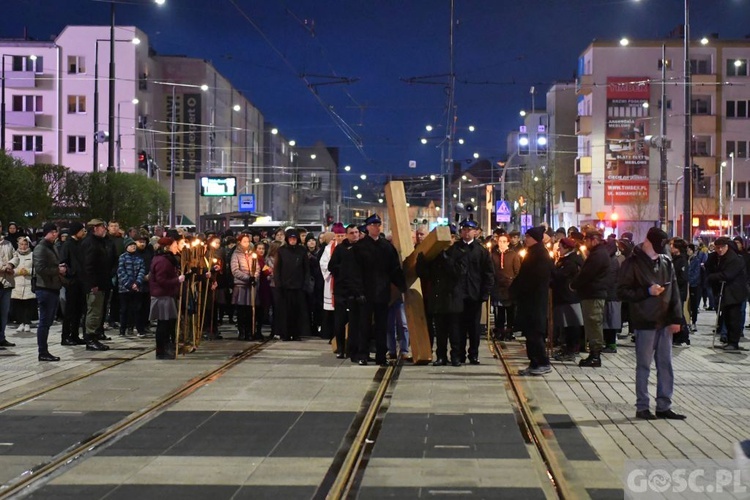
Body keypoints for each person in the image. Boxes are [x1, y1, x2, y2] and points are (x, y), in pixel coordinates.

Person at [617, 227, 686, 420]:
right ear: (647, 242)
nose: (659, 251)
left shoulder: (666, 262)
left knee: (665, 364)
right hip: (645, 321)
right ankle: (642, 406)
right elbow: (621, 291)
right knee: (644, 365)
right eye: (656, 247)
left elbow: (674, 294)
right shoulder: (633, 263)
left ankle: (664, 405)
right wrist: (647, 292)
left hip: (664, 321)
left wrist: (677, 318)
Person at [354, 214, 406, 366]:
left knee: (382, 325)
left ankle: (381, 355)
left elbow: (394, 269)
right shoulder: (360, 247)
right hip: (366, 292)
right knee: (364, 325)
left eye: (378, 225)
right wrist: (358, 291)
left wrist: (401, 285)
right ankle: (362, 354)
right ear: (368, 227)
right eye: (373, 225)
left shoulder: (386, 247)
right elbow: (354, 272)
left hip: (382, 292)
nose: (376, 227)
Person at [416, 225, 465, 366]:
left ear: (453, 238)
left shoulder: (459, 252)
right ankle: (441, 356)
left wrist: (447, 259)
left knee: (454, 331)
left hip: (452, 298)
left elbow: (458, 273)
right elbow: (427, 275)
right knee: (441, 331)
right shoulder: (435, 254)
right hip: (438, 298)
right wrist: (421, 264)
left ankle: (455, 356)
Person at [510, 226, 554, 375]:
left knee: (535, 333)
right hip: (529, 300)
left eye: (528, 237)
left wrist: (519, 289)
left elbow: (535, 278)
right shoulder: (533, 253)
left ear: (534, 238)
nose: (525, 239)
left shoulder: (540, 254)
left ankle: (542, 362)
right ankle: (534, 363)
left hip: (535, 301)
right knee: (530, 333)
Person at [453, 219, 494, 365]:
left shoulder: (481, 251)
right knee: (458, 327)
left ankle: (473, 354)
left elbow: (488, 273)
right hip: (458, 295)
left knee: (474, 328)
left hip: (474, 295)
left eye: (469, 229)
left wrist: (485, 293)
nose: (466, 232)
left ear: (475, 232)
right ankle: (458, 354)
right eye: (464, 229)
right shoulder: (455, 249)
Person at [571, 229, 610, 367]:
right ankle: (593, 352)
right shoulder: (597, 253)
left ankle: (595, 354)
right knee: (591, 323)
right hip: (592, 293)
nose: (585, 243)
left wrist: (574, 284)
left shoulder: (598, 255)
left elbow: (587, 274)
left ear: (594, 240)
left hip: (594, 294)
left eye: (587, 240)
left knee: (593, 323)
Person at [328, 223, 365, 361]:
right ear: (347, 234)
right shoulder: (340, 249)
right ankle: (341, 349)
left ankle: (353, 349)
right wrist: (343, 271)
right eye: (352, 233)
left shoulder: (361, 248)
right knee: (339, 322)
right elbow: (331, 266)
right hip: (341, 291)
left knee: (355, 322)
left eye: (356, 232)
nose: (355, 235)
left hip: (356, 291)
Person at [32, 223, 66, 361]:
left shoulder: (52, 247)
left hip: (53, 287)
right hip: (44, 288)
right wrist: (57, 270)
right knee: (44, 322)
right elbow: (40, 269)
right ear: (47, 233)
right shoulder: (41, 248)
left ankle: (44, 351)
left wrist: (59, 267)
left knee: (48, 321)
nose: (55, 234)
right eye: (53, 232)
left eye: (56, 232)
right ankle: (42, 352)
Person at [707, 237, 748, 351]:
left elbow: (727, 275)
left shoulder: (734, 259)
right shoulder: (718, 257)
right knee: (727, 317)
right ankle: (729, 340)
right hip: (726, 292)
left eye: (721, 248)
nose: (719, 250)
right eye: (717, 248)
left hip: (735, 293)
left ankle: (733, 342)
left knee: (734, 318)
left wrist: (713, 277)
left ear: (727, 247)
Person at [149, 237, 185, 359]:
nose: (176, 248)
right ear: (167, 247)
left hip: (166, 294)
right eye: (174, 245)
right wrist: (177, 280)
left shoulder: (167, 259)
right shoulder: (162, 261)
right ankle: (161, 351)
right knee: (163, 324)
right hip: (162, 296)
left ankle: (165, 348)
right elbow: (161, 280)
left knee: (167, 323)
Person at [80, 219, 111, 351]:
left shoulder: (99, 242)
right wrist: (93, 283)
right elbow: (88, 266)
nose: (104, 229)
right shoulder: (90, 243)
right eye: (102, 227)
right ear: (94, 228)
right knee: (93, 311)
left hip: (101, 282)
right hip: (94, 285)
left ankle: (94, 337)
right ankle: (90, 338)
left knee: (97, 311)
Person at [551, 237, 584, 362]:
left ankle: (571, 349)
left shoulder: (571, 261)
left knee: (572, 324)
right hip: (563, 296)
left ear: (567, 248)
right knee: (566, 324)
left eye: (560, 246)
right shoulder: (565, 259)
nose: (558, 249)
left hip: (569, 297)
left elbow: (561, 275)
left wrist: (552, 269)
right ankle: (567, 347)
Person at [274, 228, 311, 341]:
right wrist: (278, 283)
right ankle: (285, 333)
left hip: (298, 286)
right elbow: (277, 269)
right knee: (285, 312)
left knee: (297, 312)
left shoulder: (302, 250)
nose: (293, 240)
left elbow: (306, 269)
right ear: (287, 239)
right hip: (285, 287)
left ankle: (296, 333)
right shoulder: (281, 251)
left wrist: (305, 283)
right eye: (291, 238)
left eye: (295, 238)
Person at [59, 222, 87, 346]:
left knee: (78, 310)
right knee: (70, 311)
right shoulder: (68, 244)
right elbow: (63, 262)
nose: (84, 233)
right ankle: (66, 336)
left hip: (81, 281)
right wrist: (71, 273)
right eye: (82, 230)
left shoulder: (80, 244)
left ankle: (75, 335)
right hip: (72, 282)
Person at [490, 230, 521, 341]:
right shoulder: (493, 256)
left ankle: (509, 330)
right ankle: (500, 331)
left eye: (504, 241)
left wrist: (513, 281)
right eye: (500, 241)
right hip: (498, 287)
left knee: (510, 311)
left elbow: (517, 271)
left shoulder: (513, 255)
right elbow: (491, 271)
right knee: (499, 312)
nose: (502, 243)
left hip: (510, 288)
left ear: (508, 243)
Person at [230, 234, 259, 341]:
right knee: (242, 310)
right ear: (240, 242)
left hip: (250, 286)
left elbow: (257, 268)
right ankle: (242, 331)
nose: (246, 243)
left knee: (250, 310)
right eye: (244, 241)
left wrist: (254, 277)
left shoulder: (252, 254)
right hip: (241, 285)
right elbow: (235, 270)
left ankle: (250, 331)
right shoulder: (236, 254)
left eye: (248, 241)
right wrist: (247, 277)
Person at [320, 224, 345, 342]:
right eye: (338, 236)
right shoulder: (328, 248)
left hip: (346, 282)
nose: (340, 238)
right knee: (333, 312)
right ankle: (333, 336)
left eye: (342, 235)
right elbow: (323, 263)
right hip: (332, 280)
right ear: (335, 236)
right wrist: (332, 271)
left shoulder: (349, 247)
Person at [117, 237, 146, 337]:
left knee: (137, 309)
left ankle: (139, 329)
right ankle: (123, 330)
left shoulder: (139, 258)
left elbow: (142, 271)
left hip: (137, 288)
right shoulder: (122, 257)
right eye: (130, 245)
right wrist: (129, 284)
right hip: (125, 288)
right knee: (124, 309)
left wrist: (137, 283)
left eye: (134, 245)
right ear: (126, 247)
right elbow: (121, 272)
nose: (133, 246)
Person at [11, 237, 36, 333]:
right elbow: (10, 267)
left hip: (29, 282)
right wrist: (18, 271)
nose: (23, 246)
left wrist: (29, 271)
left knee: (28, 304)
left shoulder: (32, 255)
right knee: (18, 304)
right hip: (17, 282)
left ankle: (27, 323)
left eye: (25, 244)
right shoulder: (15, 255)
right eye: (21, 244)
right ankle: (21, 322)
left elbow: (36, 268)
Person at [0, 229, 19, 350]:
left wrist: (11, 265)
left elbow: (16, 256)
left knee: (3, 313)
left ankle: (1, 337)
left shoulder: (8, 244)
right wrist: (4, 268)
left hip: (7, 283)